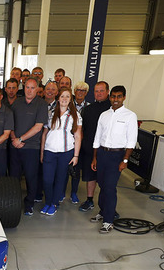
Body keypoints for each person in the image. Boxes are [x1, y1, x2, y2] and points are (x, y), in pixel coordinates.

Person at [91, 85, 137, 234]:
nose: (115, 99)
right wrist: (95, 158)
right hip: (102, 154)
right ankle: (103, 211)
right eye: (113, 96)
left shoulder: (130, 116)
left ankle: (108, 221)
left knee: (110, 188)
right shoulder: (104, 115)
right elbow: (97, 137)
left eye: (119, 96)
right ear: (109, 97)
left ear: (124, 97)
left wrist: (125, 161)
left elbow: (131, 140)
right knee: (102, 186)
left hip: (117, 156)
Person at [40, 87, 82, 216]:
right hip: (49, 151)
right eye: (62, 96)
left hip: (66, 152)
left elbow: (78, 136)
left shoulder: (75, 116)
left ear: (71, 99)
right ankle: (48, 201)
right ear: (58, 98)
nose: (64, 99)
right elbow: (44, 134)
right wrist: (42, 152)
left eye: (67, 96)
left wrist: (76, 155)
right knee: (47, 179)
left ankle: (53, 204)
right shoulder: (50, 113)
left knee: (60, 179)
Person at [10, 77, 48, 216]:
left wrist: (20, 139)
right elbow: (10, 123)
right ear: (23, 88)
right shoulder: (17, 103)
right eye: (27, 87)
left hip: (32, 148)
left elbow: (38, 127)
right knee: (14, 177)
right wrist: (14, 139)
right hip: (15, 146)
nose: (29, 90)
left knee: (31, 177)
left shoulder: (41, 104)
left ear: (37, 89)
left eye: (32, 88)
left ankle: (29, 204)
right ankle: (14, 203)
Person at [77, 81, 110, 212]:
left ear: (108, 92)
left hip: (106, 151)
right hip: (89, 150)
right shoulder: (88, 109)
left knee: (106, 180)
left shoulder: (112, 110)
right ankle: (89, 200)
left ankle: (107, 205)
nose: (99, 93)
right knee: (90, 176)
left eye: (101, 91)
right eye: (96, 91)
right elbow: (82, 130)